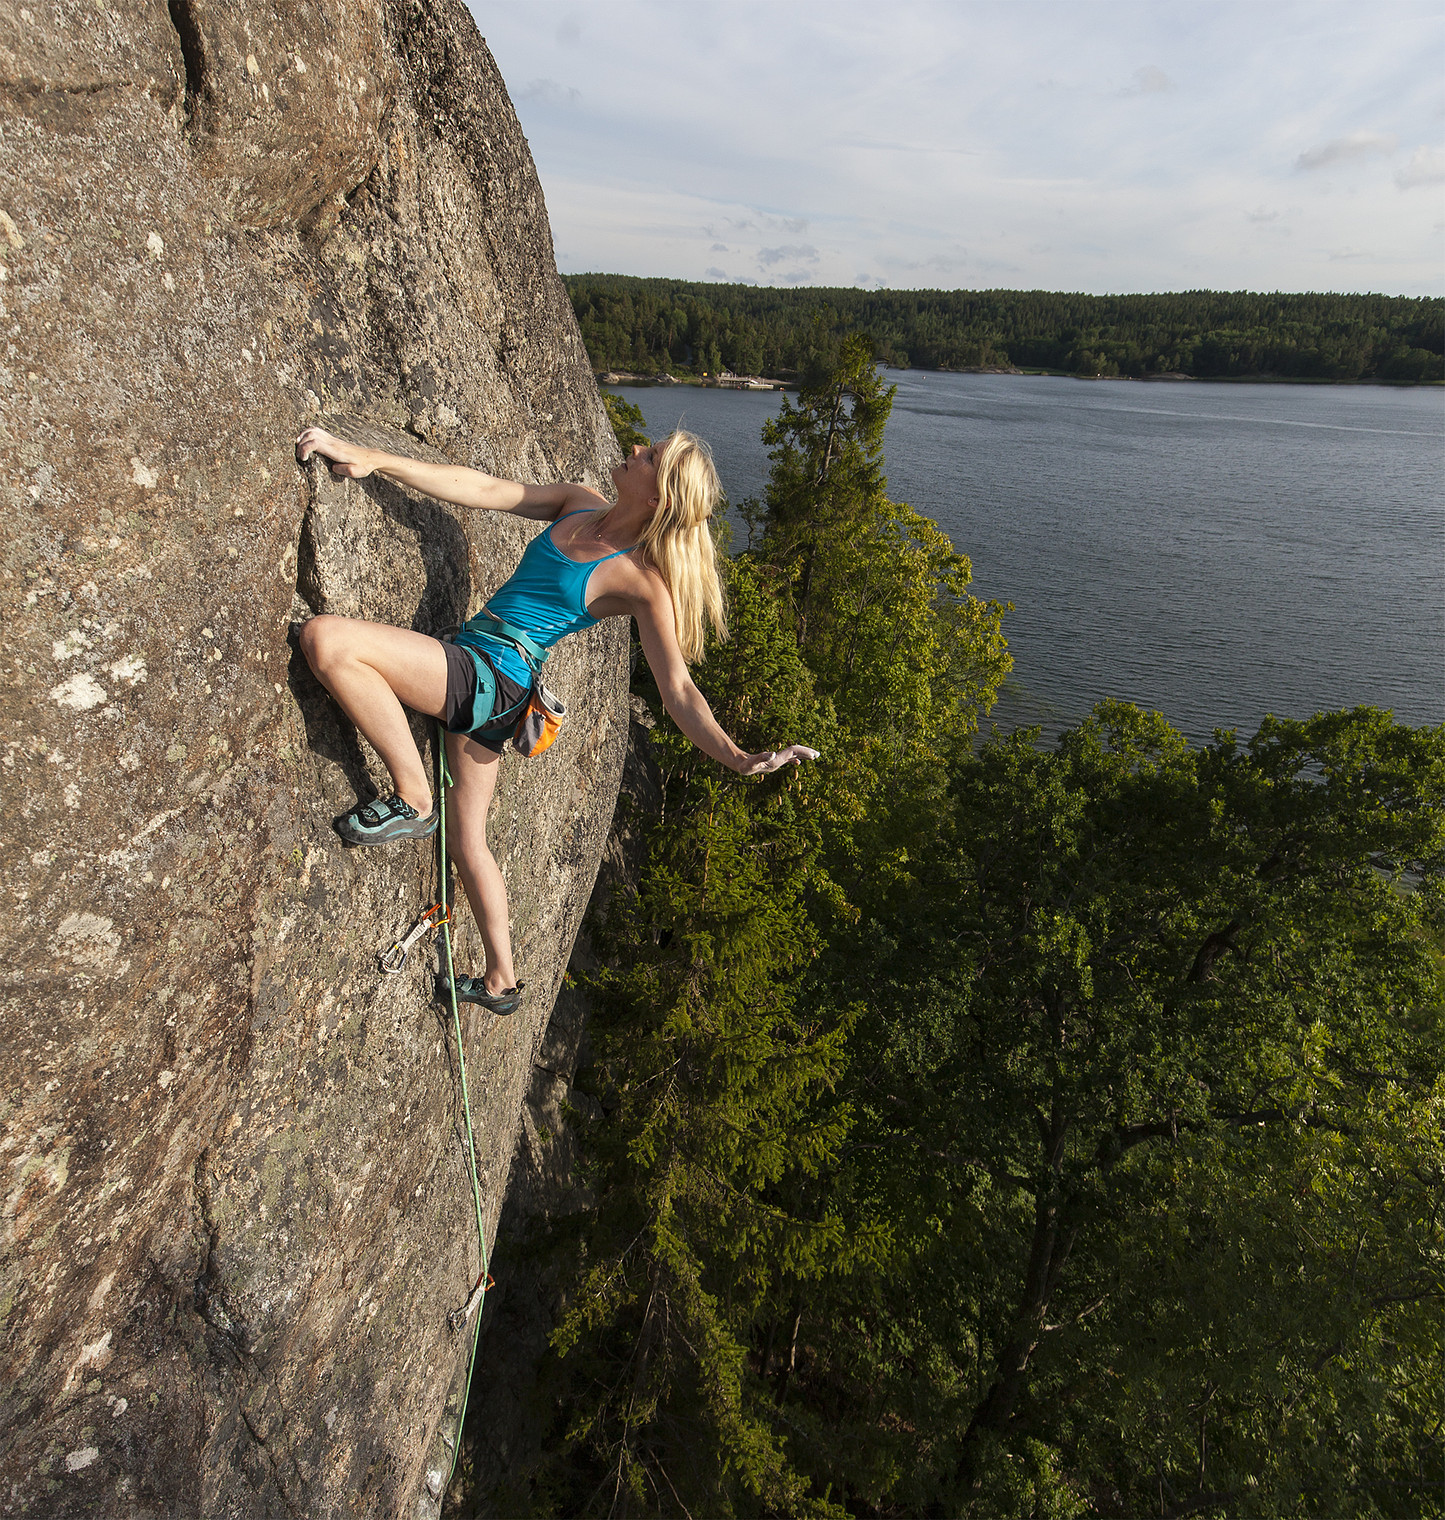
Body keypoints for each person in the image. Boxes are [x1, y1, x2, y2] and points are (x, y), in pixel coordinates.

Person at [293, 424, 820, 1015]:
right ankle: (502, 980)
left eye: (650, 456)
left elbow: (677, 690)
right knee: (468, 842)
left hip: (491, 675)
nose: (635, 449)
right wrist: (375, 458)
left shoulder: (641, 582)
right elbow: (484, 489)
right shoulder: (579, 503)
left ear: (659, 497)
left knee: (327, 641)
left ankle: (414, 797)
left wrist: (738, 757)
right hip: (495, 684)